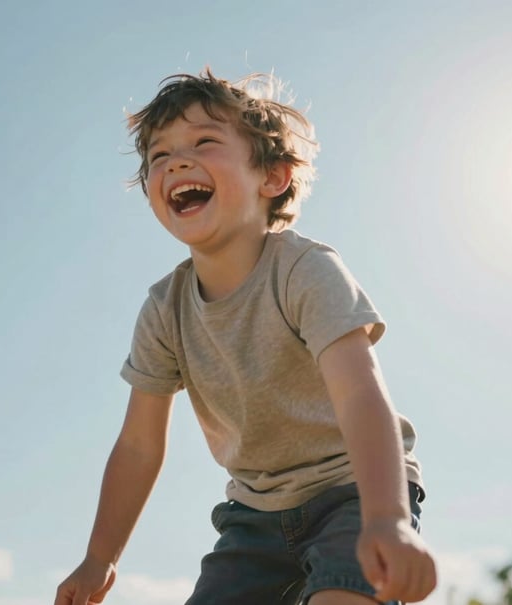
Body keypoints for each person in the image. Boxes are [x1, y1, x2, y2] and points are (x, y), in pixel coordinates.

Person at [54, 69, 437, 605]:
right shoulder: (164, 310)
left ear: (273, 177)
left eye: (204, 142)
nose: (176, 162)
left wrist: (386, 518)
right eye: (160, 155)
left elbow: (360, 394)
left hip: (352, 492)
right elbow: (139, 445)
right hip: (254, 514)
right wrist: (100, 558)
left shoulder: (305, 270)